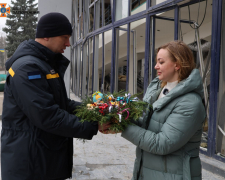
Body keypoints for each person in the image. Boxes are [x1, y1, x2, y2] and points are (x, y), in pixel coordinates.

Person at [1, 12, 107, 180]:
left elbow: (62, 104)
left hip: (41, 157)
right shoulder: (28, 68)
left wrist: (96, 110)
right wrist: (94, 125)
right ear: (46, 36)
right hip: (30, 164)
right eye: (64, 37)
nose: (68, 43)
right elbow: (48, 116)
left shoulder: (43, 63)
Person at [121, 41, 206, 180]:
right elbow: (148, 124)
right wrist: (120, 117)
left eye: (161, 62)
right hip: (149, 170)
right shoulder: (159, 90)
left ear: (177, 65)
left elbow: (162, 143)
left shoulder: (190, 103)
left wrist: (123, 128)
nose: (156, 66)